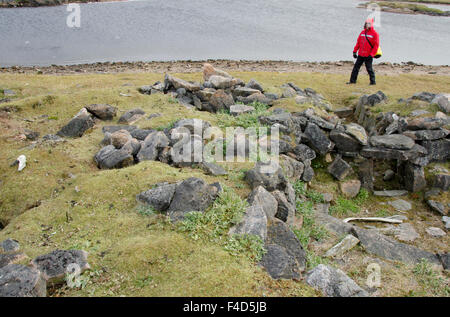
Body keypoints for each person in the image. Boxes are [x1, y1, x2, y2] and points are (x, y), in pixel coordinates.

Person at [347, 18, 379, 85]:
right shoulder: (362, 32)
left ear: (372, 25)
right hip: (361, 54)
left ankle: (373, 82)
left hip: (368, 55)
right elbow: (358, 43)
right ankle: (352, 81)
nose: (367, 25)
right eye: (367, 23)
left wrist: (372, 54)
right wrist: (354, 51)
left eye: (369, 23)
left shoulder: (375, 34)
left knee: (369, 69)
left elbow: (376, 46)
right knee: (356, 68)